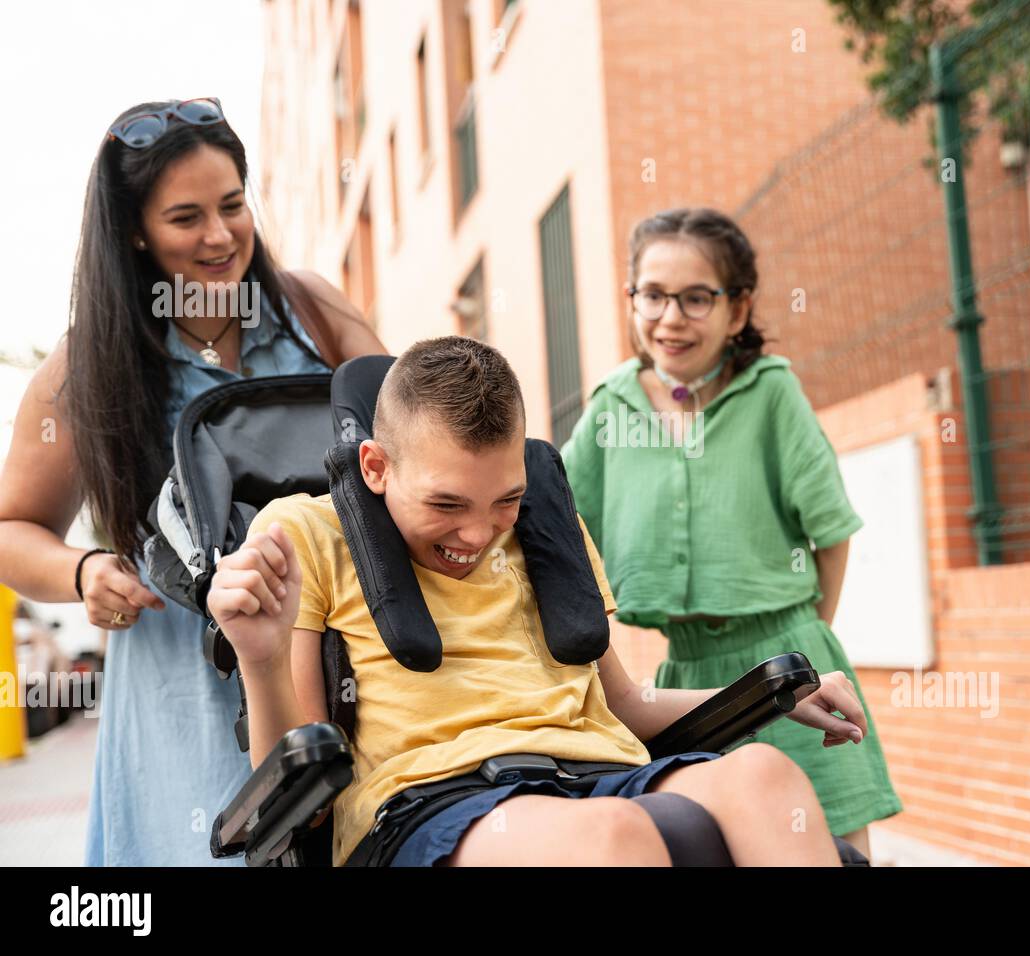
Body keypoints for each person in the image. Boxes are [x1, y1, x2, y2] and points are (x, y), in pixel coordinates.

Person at [208, 336, 868, 866]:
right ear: (376, 467)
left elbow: (626, 705)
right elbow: (303, 793)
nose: (477, 532)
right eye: (446, 504)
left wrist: (772, 695)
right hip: (431, 801)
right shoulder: (303, 533)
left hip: (599, 766)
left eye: (505, 500)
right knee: (610, 837)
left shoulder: (543, 522)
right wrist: (258, 658)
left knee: (764, 779)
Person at [0, 98, 386, 865]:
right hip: (186, 676)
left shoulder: (315, 311)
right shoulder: (90, 364)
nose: (219, 236)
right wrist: (83, 573)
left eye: (233, 205)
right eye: (186, 218)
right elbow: (11, 530)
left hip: (345, 660)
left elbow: (416, 446)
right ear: (136, 230)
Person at [560, 207, 902, 860]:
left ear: (737, 311)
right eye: (653, 295)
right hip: (682, 678)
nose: (669, 317)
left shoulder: (771, 393)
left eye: (696, 298)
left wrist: (807, 637)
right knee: (706, 845)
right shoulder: (611, 407)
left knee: (829, 847)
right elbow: (557, 525)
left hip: (790, 657)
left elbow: (830, 535)